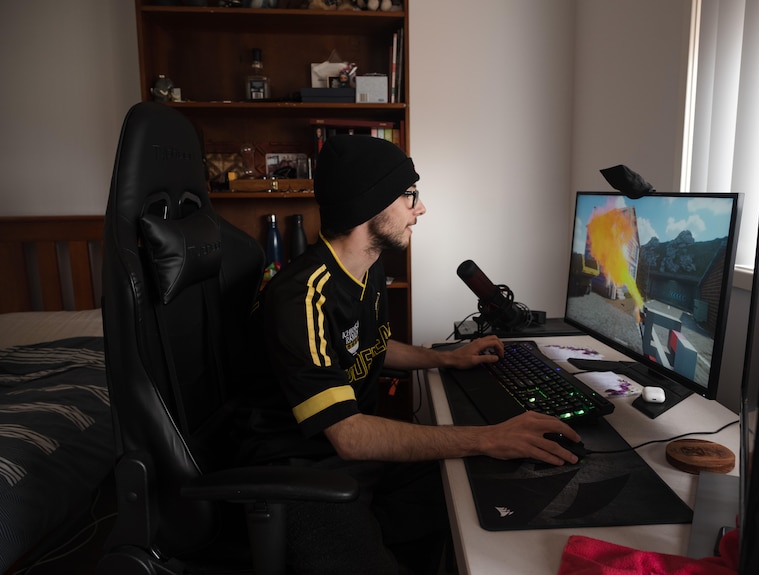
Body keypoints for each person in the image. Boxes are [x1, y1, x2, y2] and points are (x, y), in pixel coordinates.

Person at [239, 135, 581, 574]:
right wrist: (486, 436)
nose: (420, 208)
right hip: (299, 471)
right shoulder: (302, 298)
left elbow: (373, 345)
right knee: (475, 460)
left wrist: (448, 358)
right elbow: (349, 435)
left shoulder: (369, 268)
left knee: (475, 493)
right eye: (409, 195)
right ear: (369, 205)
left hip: (351, 459)